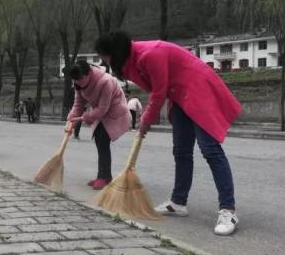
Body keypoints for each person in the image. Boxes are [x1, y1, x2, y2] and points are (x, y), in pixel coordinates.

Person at [95, 31, 242, 236]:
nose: (105, 62)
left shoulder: (150, 54)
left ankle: (228, 209)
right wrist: (147, 118)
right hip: (179, 95)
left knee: (210, 150)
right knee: (181, 150)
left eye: (106, 57)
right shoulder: (132, 62)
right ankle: (178, 201)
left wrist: (146, 120)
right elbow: (158, 89)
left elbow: (158, 92)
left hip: (197, 88)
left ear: (115, 53)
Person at [67, 60, 130, 190]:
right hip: (100, 114)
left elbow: (103, 108)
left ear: (89, 73)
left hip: (114, 112)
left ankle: (104, 177)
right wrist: (71, 120)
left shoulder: (106, 81)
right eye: (75, 80)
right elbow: (78, 104)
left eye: (80, 79)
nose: (78, 83)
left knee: (102, 141)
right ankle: (103, 175)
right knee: (99, 141)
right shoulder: (78, 83)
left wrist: (86, 117)